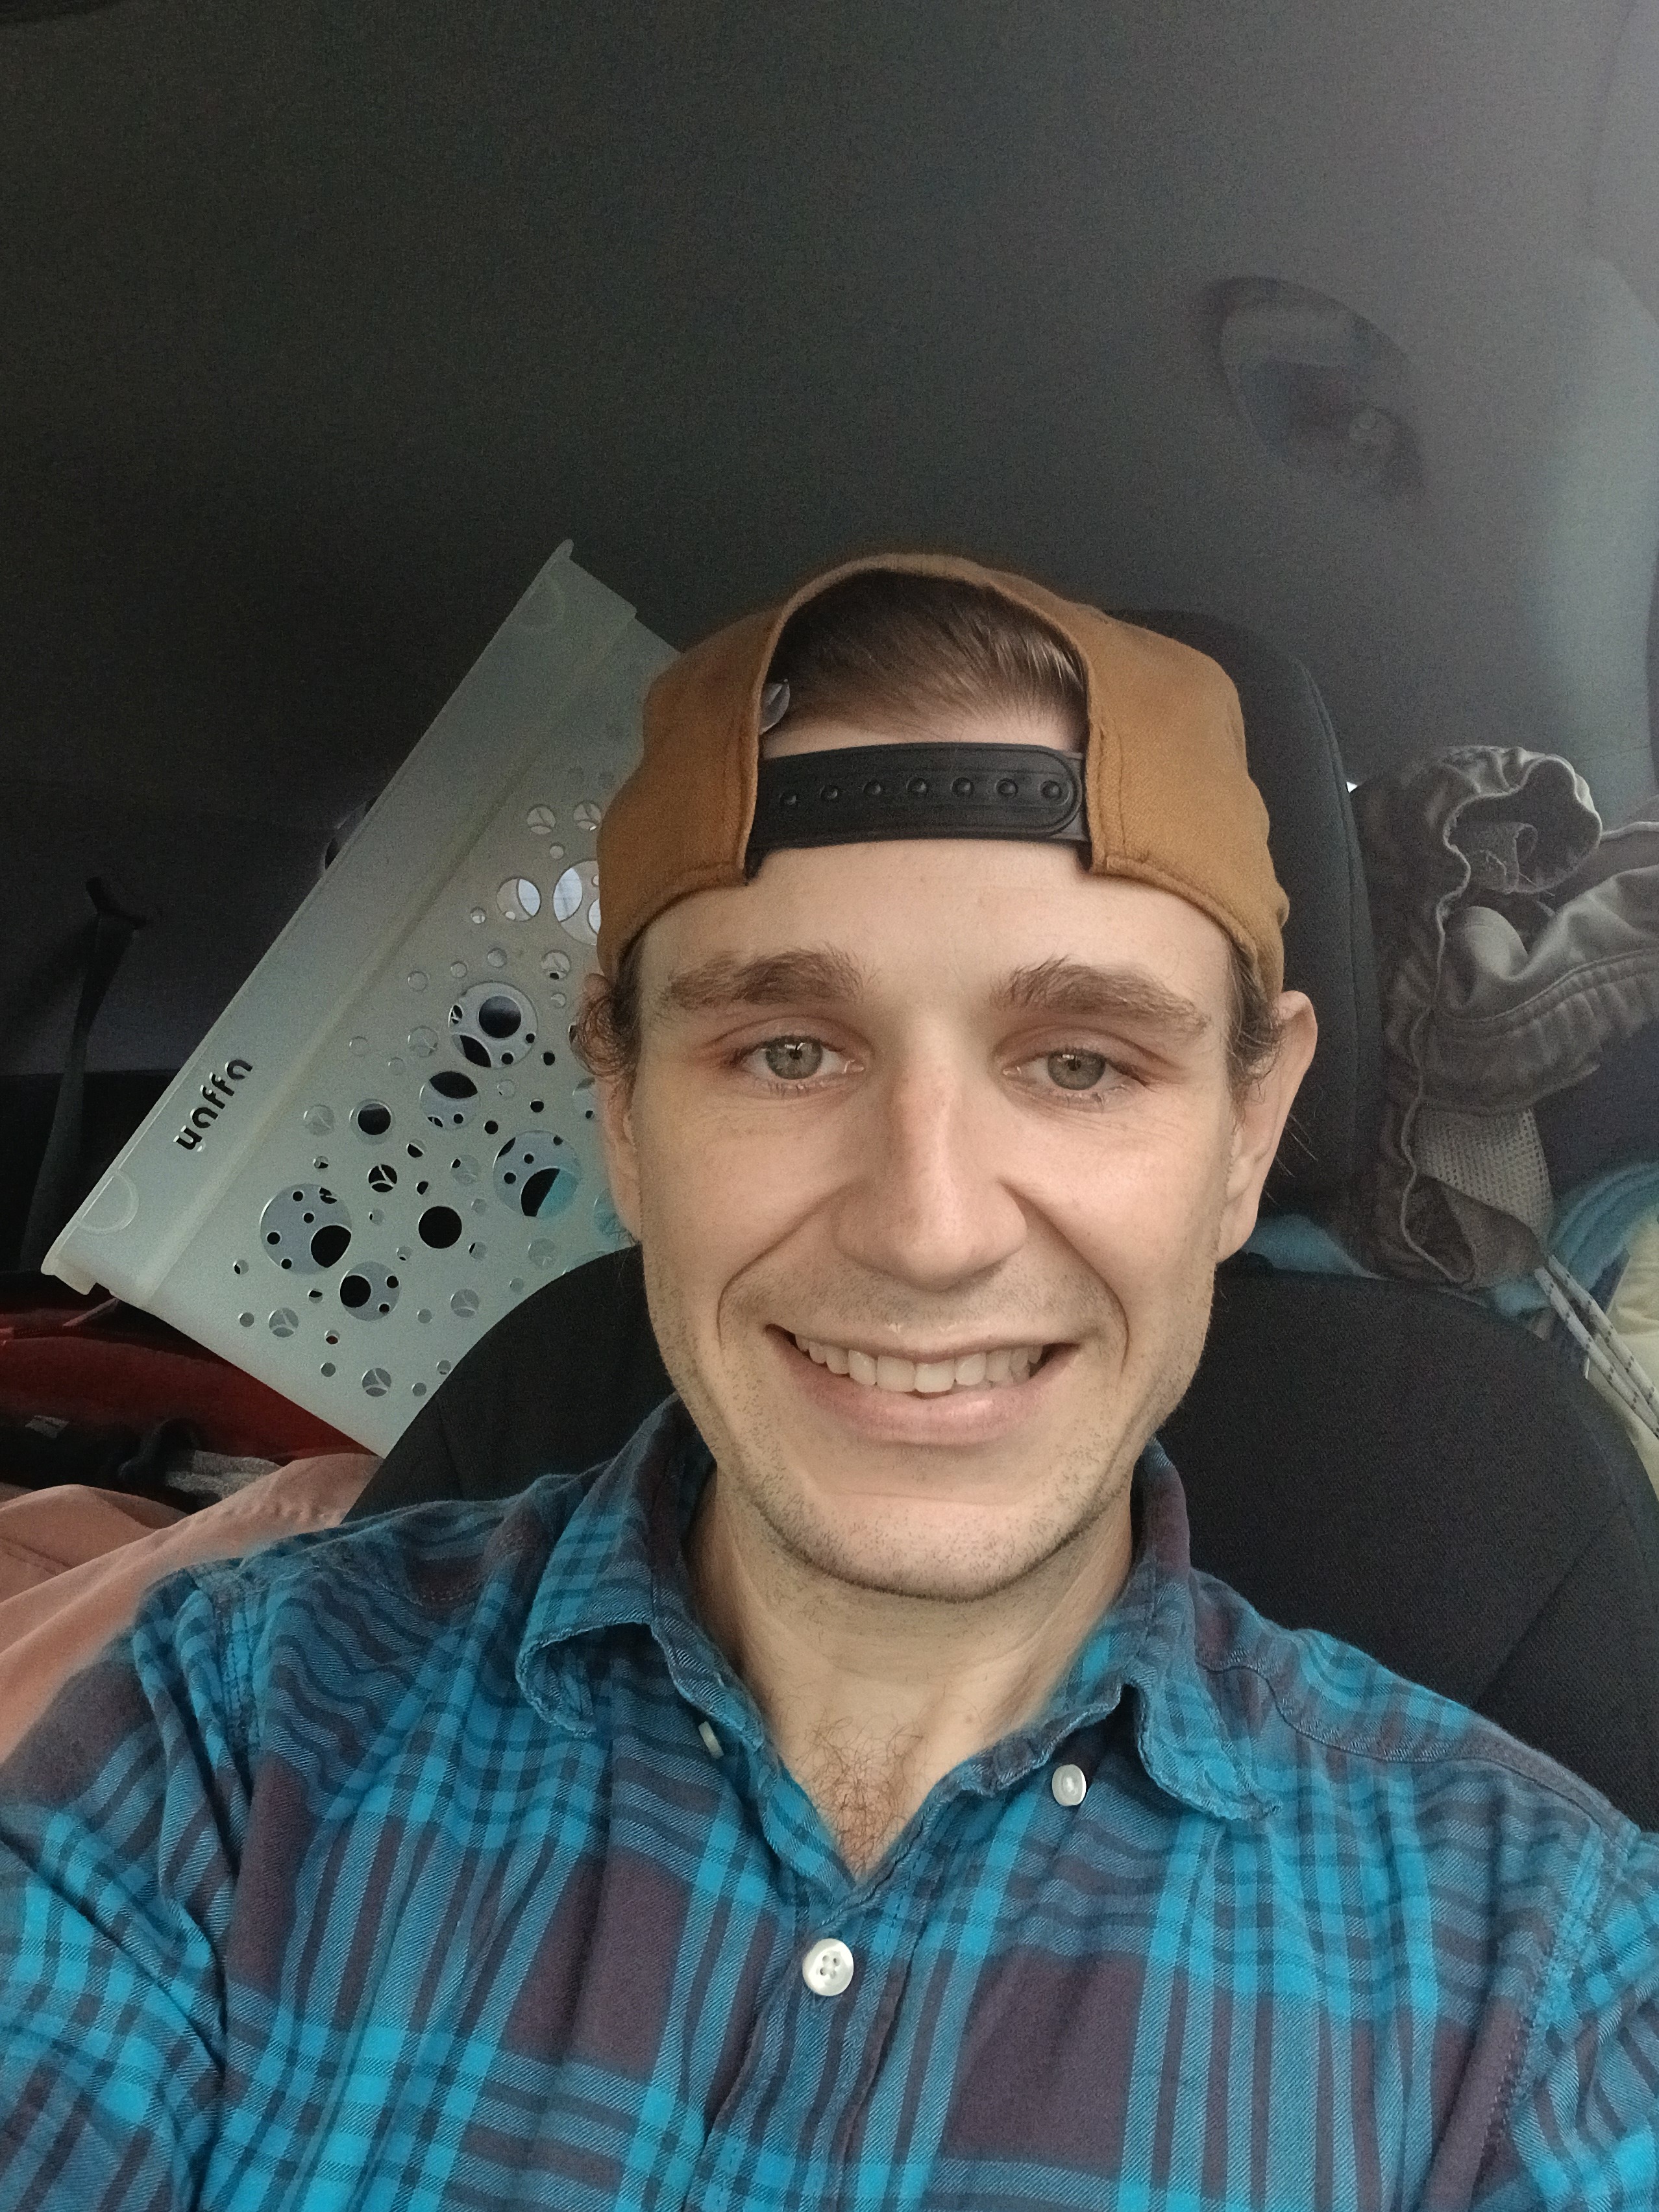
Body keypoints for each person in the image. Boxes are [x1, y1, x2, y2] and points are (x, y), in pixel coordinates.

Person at [2, 553, 1656, 2209]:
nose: (928, 1233)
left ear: (1247, 1131)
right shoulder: (224, 1736)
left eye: (1082, 1063)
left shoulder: (1541, 1982)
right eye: (786, 1052)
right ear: (624, 1112)